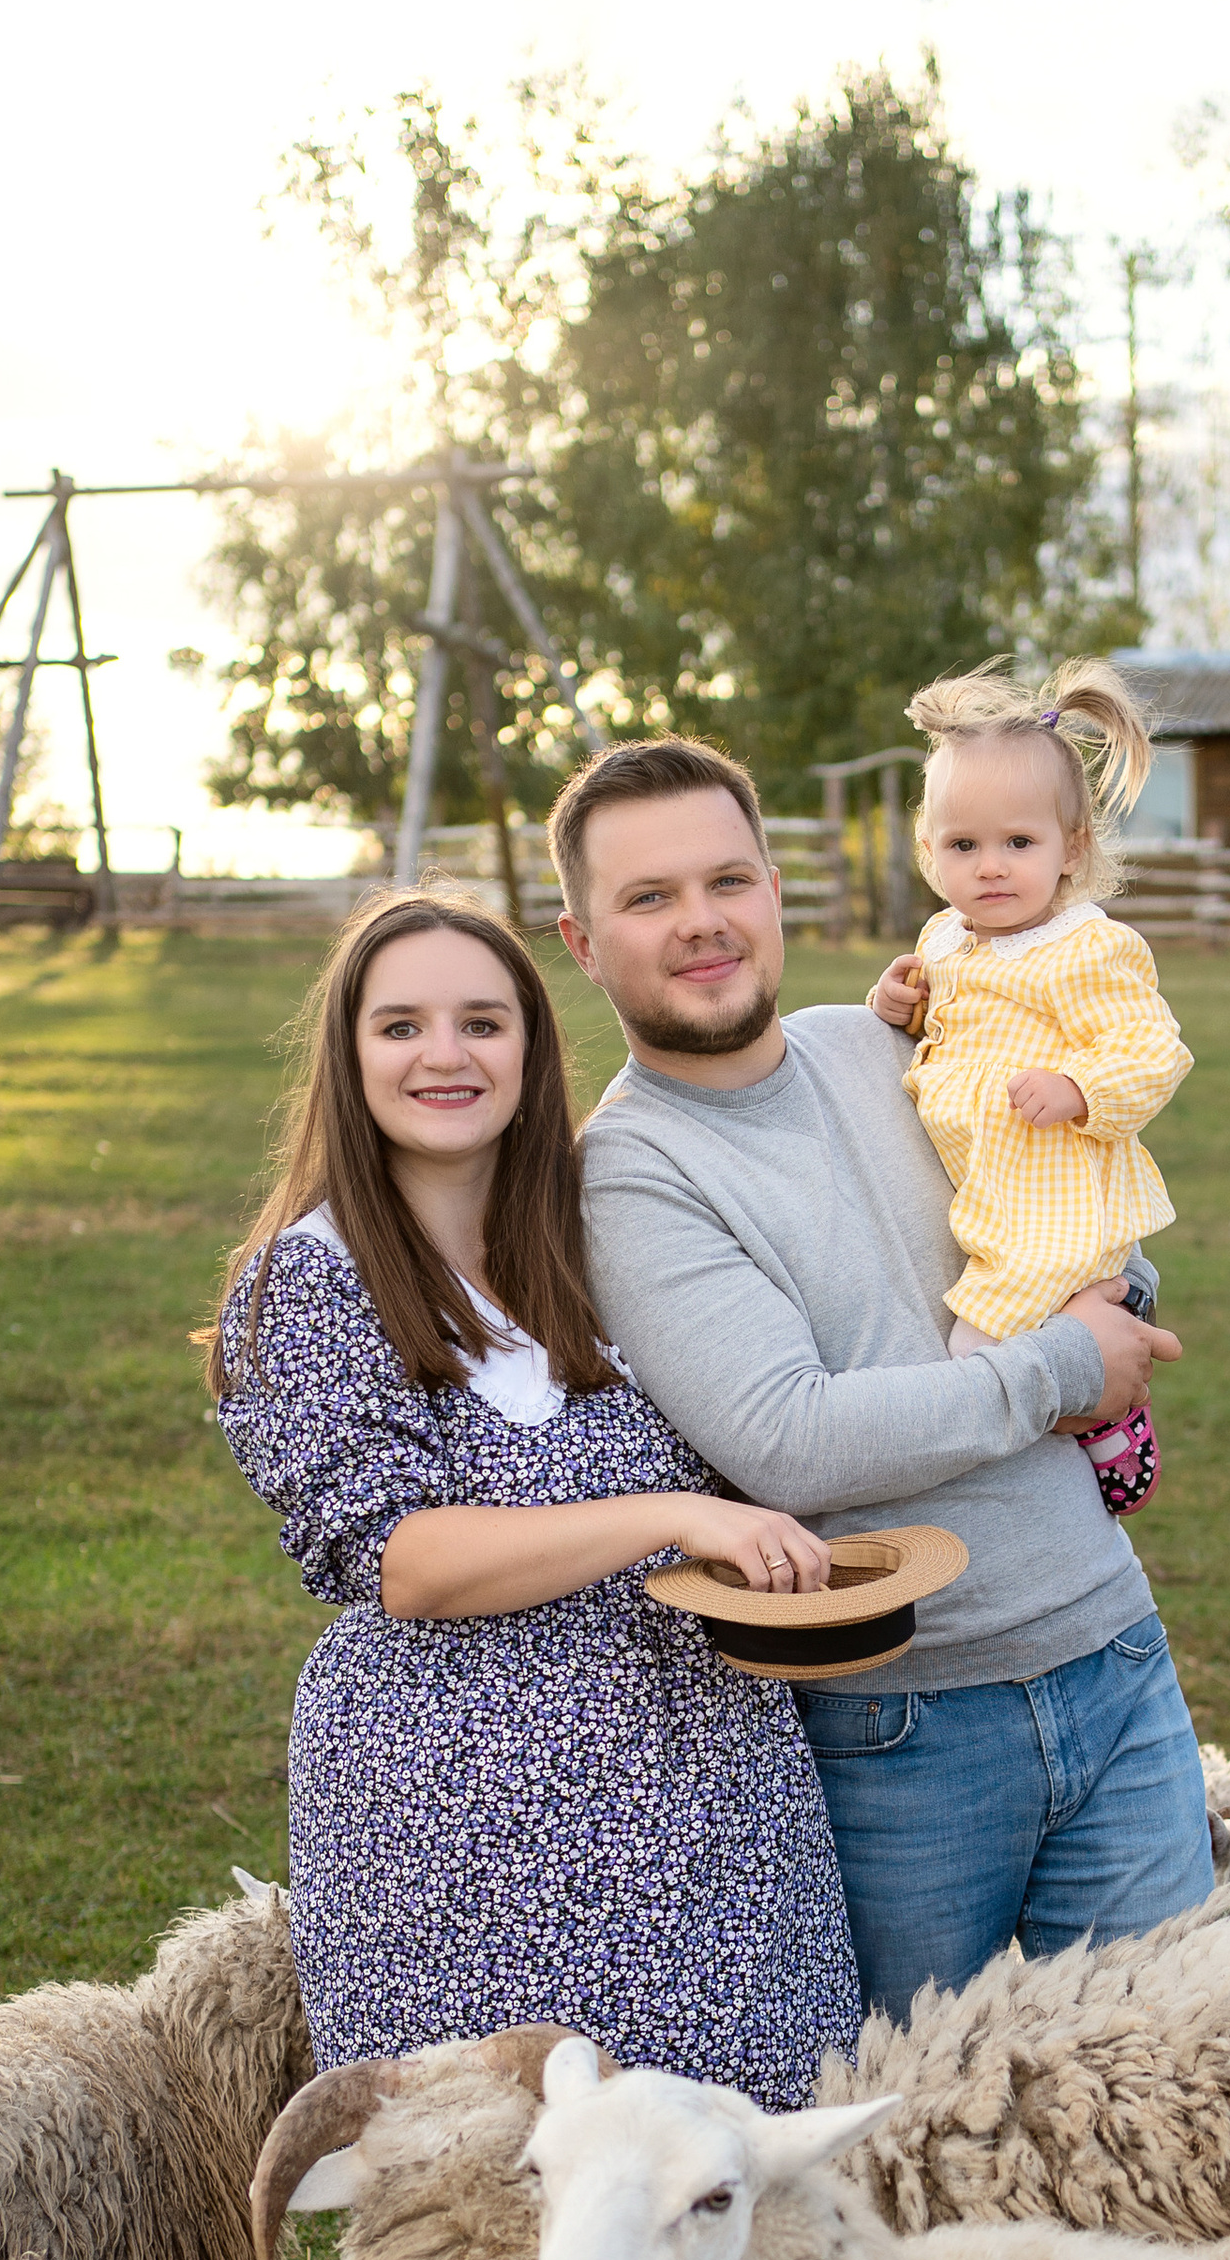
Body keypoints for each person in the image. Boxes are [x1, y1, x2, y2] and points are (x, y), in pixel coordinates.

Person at [555, 734, 1211, 2028]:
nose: (701, 922)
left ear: (771, 891)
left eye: (727, 881)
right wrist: (1061, 1368)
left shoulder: (884, 1044)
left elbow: (1067, 1209)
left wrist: (1119, 1297)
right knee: (913, 2118)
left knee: (1172, 2079)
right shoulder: (630, 1171)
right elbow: (790, 1438)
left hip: (1114, 1652)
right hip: (905, 1727)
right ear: (582, 941)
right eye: (649, 897)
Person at [206, 889, 860, 2096]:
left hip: (715, 1800)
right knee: (505, 2176)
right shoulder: (309, 1281)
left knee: (754, 2156)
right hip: (470, 1829)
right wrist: (672, 1518)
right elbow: (405, 1560)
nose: (445, 1055)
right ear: (349, 1056)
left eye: (482, 1023)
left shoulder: (601, 1235)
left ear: (531, 1046)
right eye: (401, 1026)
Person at [865, 658, 1192, 1516]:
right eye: (964, 846)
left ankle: (1102, 1416)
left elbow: (1152, 1048)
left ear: (1071, 847)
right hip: (993, 1199)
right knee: (1003, 1342)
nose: (992, 867)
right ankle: (1086, 1398)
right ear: (930, 851)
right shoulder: (945, 940)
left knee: (977, 1353)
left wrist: (1081, 1086)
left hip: (1055, 1207)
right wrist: (895, 1003)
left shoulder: (1085, 949)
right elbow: (944, 1022)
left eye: (1019, 843)